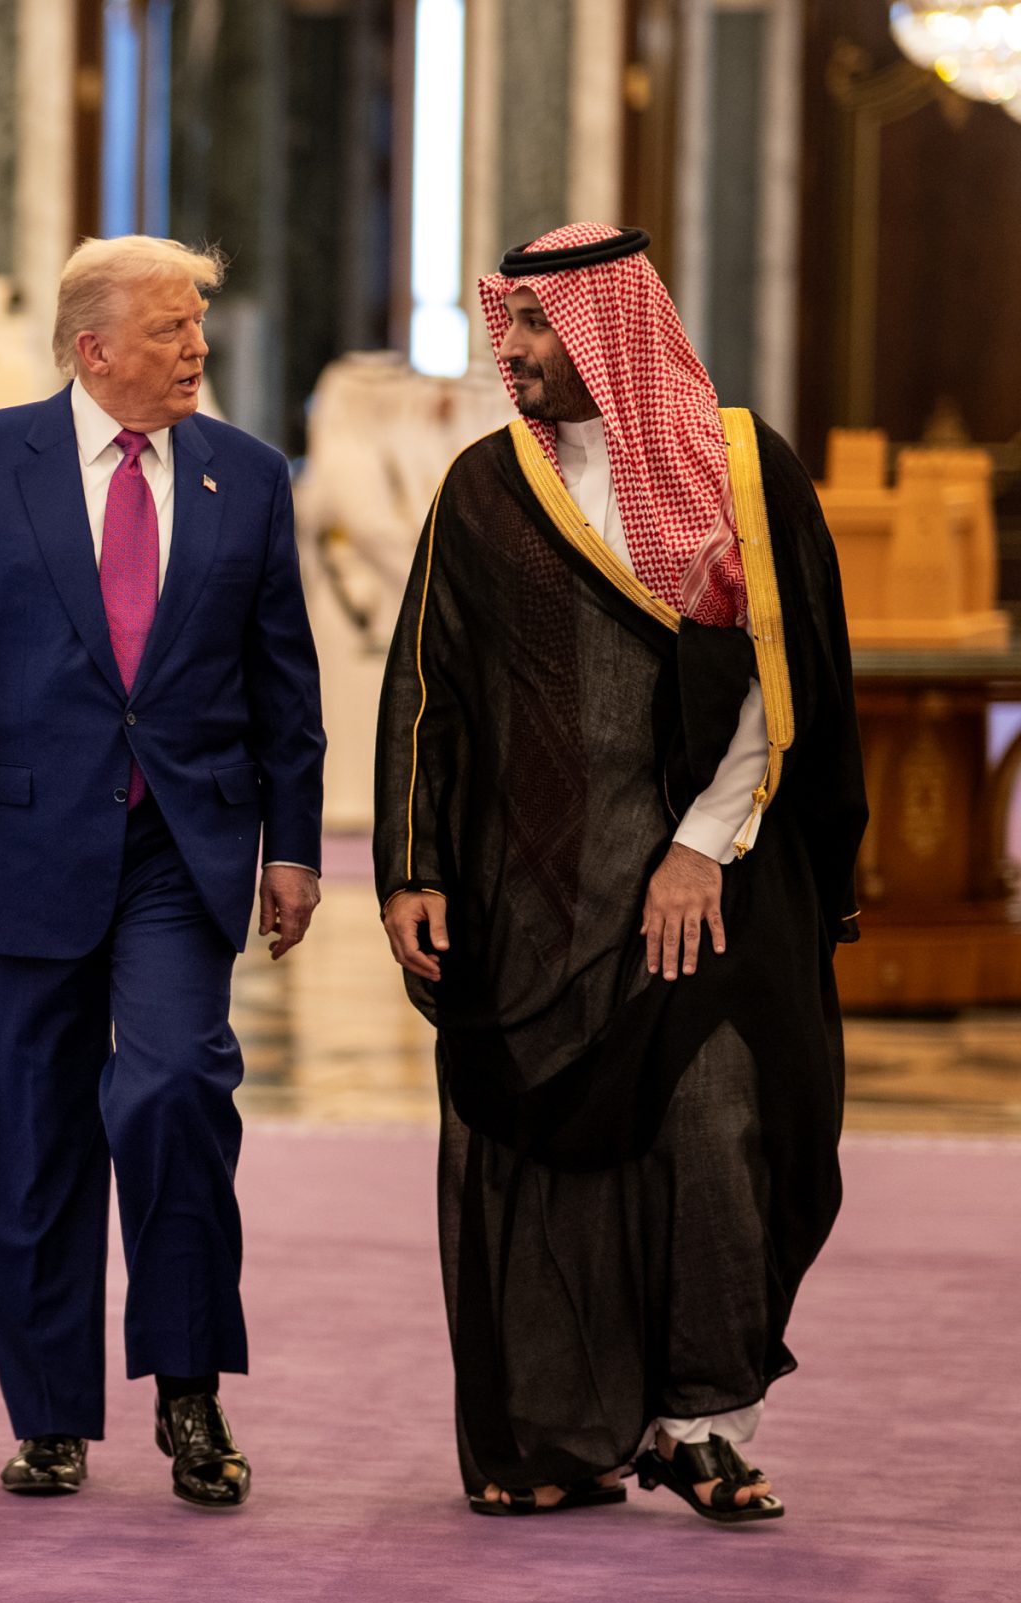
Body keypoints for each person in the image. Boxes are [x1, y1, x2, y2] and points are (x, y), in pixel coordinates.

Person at [374, 224, 865, 1523]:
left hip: (709, 887)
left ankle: (704, 1420)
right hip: (532, 893)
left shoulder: (743, 474)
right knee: (540, 1158)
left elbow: (785, 673)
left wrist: (699, 846)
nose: (513, 350)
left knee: (718, 1126)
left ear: (609, 330)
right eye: (508, 323)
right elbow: (428, 684)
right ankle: (555, 1436)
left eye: (537, 325)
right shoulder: (484, 489)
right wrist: (414, 863)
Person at [0, 235, 324, 1503]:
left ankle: (188, 1393)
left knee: (174, 1091)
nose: (198, 350)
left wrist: (294, 845)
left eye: (197, 327)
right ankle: (49, 1411)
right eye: (172, 330)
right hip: (14, 842)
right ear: (93, 348)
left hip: (181, 846)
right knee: (29, 1140)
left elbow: (286, 682)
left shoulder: (247, 474)